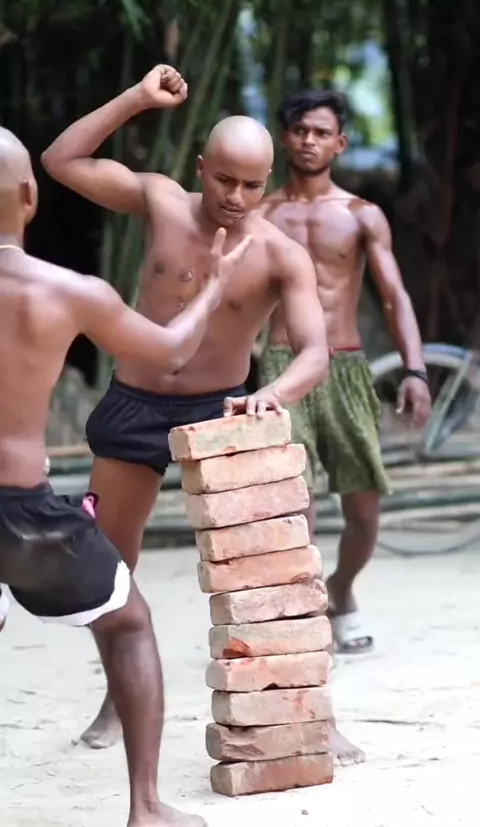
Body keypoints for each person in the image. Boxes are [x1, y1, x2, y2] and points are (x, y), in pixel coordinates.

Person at [40, 65, 364, 764]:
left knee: (274, 568)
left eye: (251, 185)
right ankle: (118, 699)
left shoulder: (281, 254)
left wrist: (274, 394)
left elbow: (315, 352)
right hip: (134, 404)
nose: (235, 198)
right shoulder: (162, 201)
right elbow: (59, 161)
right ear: (200, 168)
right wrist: (136, 97)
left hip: (224, 409)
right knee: (109, 566)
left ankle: (317, 709)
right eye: (223, 180)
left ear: (267, 181)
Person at [0, 125, 256, 827]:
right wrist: (215, 287)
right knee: (129, 624)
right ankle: (145, 808)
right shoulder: (69, 291)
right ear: (30, 197)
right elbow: (169, 351)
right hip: (23, 510)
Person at [259, 89, 432, 655]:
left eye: (321, 132)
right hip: (281, 365)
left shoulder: (361, 215)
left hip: (346, 365)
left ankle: (342, 588)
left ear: (341, 143)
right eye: (300, 131)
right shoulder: (261, 214)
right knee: (296, 499)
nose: (309, 141)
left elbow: (394, 296)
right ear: (285, 138)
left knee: (363, 508)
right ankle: (309, 613)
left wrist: (415, 371)